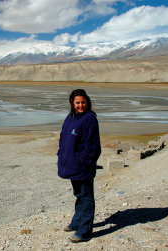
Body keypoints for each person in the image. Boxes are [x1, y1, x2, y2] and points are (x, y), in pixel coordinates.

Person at [57, 89, 101, 243]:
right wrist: (61, 154)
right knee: (78, 195)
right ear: (72, 103)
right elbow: (63, 138)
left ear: (87, 102)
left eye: (83, 102)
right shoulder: (70, 117)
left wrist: (85, 161)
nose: (80, 105)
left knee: (87, 197)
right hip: (72, 165)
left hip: (83, 166)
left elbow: (93, 146)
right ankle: (77, 222)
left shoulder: (90, 119)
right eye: (77, 102)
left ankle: (85, 232)